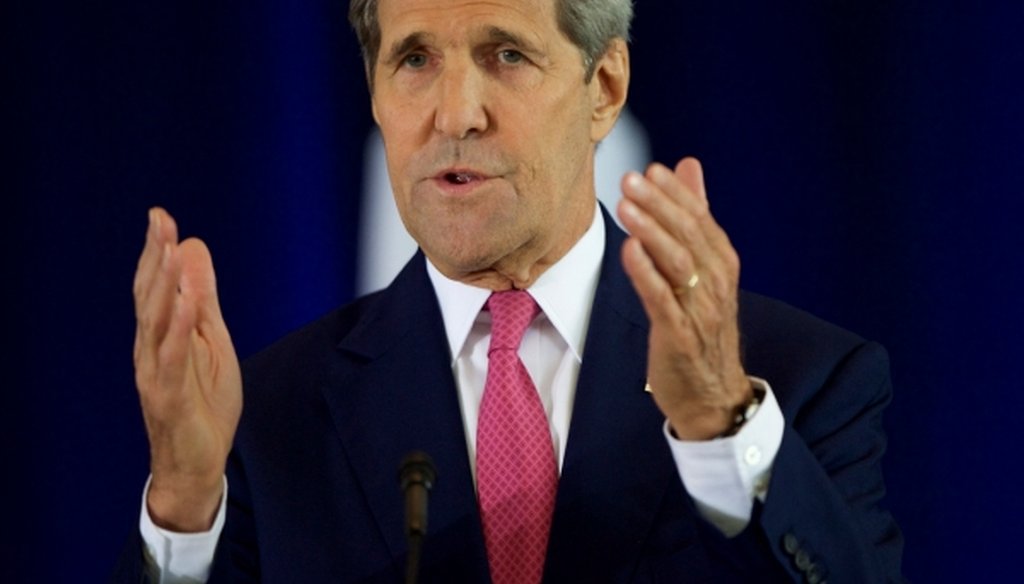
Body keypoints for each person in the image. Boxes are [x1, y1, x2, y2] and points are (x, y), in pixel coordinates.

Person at [113, 0, 905, 582]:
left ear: (605, 85)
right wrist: (182, 508)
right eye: (415, 59)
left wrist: (719, 430)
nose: (455, 113)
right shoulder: (266, 420)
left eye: (506, 55)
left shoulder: (800, 381)